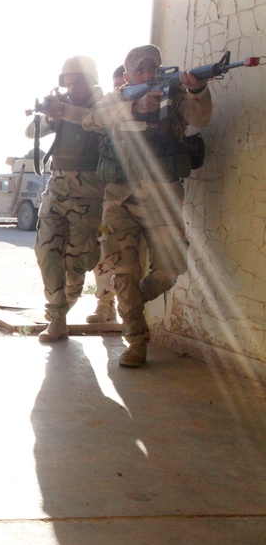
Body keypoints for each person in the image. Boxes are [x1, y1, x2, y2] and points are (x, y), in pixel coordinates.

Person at [40, 44, 213, 366]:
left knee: (171, 268)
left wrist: (197, 89)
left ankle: (131, 298)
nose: (147, 75)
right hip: (120, 199)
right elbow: (93, 119)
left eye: (152, 69)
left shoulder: (175, 95)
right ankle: (136, 340)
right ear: (129, 73)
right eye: (140, 70)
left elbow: (200, 118)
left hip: (163, 197)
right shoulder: (117, 98)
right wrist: (133, 107)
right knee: (124, 270)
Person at [27, 56, 106, 343]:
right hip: (57, 189)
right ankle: (57, 318)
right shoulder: (63, 106)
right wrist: (49, 113)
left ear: (92, 80)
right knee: (46, 253)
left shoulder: (105, 105)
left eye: (78, 82)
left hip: (89, 194)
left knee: (77, 262)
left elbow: (95, 122)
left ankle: (66, 305)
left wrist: (65, 110)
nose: (73, 88)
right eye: (68, 83)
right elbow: (30, 132)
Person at [86, 64, 128, 324]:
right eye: (117, 86)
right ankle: (105, 305)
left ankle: (130, 308)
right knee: (103, 254)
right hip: (106, 200)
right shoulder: (105, 114)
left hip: (138, 198)